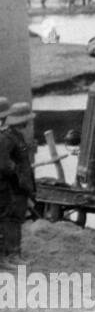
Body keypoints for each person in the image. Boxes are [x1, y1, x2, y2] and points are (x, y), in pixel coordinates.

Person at [0, 102, 37, 260]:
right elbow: (3, 163)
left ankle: (14, 253)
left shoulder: (17, 136)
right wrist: (18, 174)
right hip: (12, 187)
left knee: (17, 218)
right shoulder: (7, 137)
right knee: (12, 219)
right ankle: (11, 255)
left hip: (19, 187)